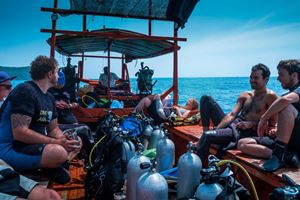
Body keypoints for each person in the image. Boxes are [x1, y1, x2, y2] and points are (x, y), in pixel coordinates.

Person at [0, 55, 81, 184]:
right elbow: (20, 132)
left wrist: (66, 139)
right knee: (59, 153)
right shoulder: (25, 90)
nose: (58, 75)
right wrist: (58, 143)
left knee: (77, 141)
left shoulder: (49, 98)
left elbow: (53, 129)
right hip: (10, 148)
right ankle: (47, 166)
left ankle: (47, 166)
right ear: (50, 74)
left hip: (30, 145)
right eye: (56, 71)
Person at [195, 63, 278, 162]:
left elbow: (272, 124)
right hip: (234, 125)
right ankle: (206, 133)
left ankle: (197, 171)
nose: (251, 80)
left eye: (256, 78)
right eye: (251, 77)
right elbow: (232, 115)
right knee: (206, 98)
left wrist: (251, 124)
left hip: (246, 133)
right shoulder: (245, 95)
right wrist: (217, 129)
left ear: (266, 79)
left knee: (208, 136)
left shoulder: (271, 97)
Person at [255, 59, 300, 172]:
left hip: (296, 144)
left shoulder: (291, 96)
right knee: (243, 144)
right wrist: (276, 128)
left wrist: (263, 118)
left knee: (285, 105)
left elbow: (285, 100)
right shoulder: (288, 94)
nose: (278, 78)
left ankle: (279, 156)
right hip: (288, 143)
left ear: (294, 75)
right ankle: (287, 156)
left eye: (281, 74)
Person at [48, 71, 93, 160]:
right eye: (58, 82)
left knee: (80, 130)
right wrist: (54, 104)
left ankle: (85, 154)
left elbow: (76, 103)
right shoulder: (49, 90)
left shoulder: (69, 90)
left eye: (61, 82)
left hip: (67, 114)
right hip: (54, 115)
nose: (60, 84)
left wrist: (69, 105)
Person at [134, 94, 198, 124]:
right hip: (160, 113)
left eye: (190, 102)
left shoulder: (188, 111)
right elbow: (166, 108)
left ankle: (134, 114)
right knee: (145, 100)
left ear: (193, 107)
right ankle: (133, 114)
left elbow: (182, 118)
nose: (187, 102)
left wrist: (177, 109)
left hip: (163, 116)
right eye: (188, 101)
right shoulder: (181, 107)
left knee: (158, 96)